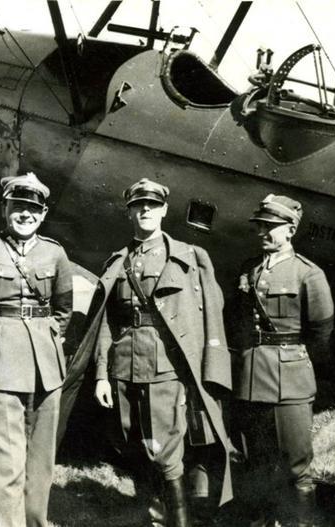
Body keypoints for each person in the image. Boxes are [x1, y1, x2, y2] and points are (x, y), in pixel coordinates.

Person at [78, 178, 232, 527]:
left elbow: (213, 313)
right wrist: (102, 374)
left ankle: (179, 522)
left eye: (152, 205)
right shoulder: (117, 262)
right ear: (129, 211)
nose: (145, 210)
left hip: (167, 367)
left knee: (167, 452)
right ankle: (156, 515)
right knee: (133, 444)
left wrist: (212, 369)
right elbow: (107, 323)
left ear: (164, 210)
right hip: (125, 366)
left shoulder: (190, 258)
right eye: (138, 205)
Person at [0, 172, 72, 527]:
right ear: (4, 209)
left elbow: (63, 309)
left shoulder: (55, 253)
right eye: (18, 207)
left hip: (45, 364)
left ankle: (34, 521)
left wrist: (50, 337)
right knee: (6, 461)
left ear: (42, 214)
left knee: (41, 459)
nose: (25, 215)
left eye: (32, 208)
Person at [230, 194, 334, 527]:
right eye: (260, 225)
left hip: (290, 380)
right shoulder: (249, 268)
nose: (263, 232)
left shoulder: (308, 274)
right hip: (251, 377)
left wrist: (296, 364)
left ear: (290, 230)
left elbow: (321, 331)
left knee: (295, 465)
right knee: (256, 460)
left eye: (271, 227)